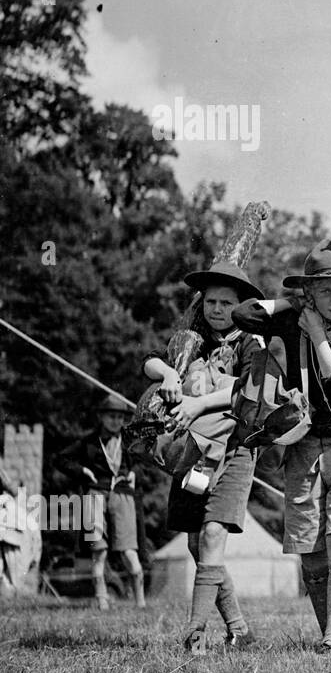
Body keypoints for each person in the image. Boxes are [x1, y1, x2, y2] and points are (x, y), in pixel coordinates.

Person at [231, 240, 331, 654]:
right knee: (311, 548)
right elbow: (242, 313)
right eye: (324, 290)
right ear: (310, 294)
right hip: (303, 444)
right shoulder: (296, 317)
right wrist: (292, 308)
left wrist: (316, 331)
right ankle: (326, 635)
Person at [143, 261, 264, 652]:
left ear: (241, 305)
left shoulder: (252, 342)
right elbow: (150, 359)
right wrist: (168, 374)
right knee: (197, 544)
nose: (216, 309)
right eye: (210, 301)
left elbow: (248, 391)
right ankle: (240, 630)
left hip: (235, 450)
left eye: (226, 302)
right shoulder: (190, 339)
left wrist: (197, 405)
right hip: (190, 451)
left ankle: (194, 634)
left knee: (214, 534)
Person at [55, 395, 147, 611]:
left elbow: (144, 463)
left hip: (123, 495)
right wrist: (81, 471)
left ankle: (140, 603)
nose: (115, 421)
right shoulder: (88, 441)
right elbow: (60, 459)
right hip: (95, 495)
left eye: (119, 417)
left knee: (128, 550)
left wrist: (134, 473)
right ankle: (101, 600)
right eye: (111, 416)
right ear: (101, 417)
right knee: (99, 550)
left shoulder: (129, 440)